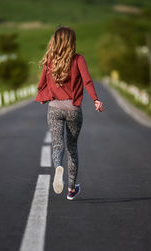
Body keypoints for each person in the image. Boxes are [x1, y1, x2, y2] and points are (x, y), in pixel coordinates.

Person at [35, 26, 104, 200]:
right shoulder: (78, 59)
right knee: (72, 148)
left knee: (57, 145)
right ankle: (71, 189)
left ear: (55, 41)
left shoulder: (50, 60)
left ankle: (58, 167)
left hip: (54, 109)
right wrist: (95, 99)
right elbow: (87, 81)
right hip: (73, 109)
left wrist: (46, 96)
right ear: (71, 42)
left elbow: (41, 84)